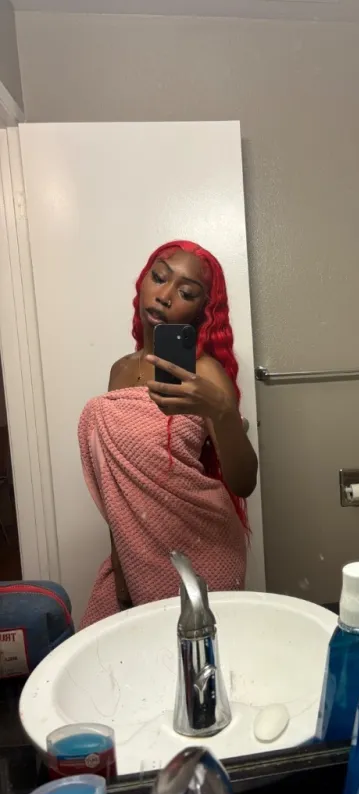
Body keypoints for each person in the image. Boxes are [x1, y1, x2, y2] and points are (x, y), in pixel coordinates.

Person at [78, 240, 257, 628]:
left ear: (201, 311)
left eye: (187, 292)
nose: (165, 295)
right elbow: (116, 490)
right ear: (143, 280)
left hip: (204, 549)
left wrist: (222, 410)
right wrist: (121, 577)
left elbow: (244, 483)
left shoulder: (203, 373)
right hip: (136, 550)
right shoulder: (119, 371)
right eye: (159, 277)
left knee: (196, 655)